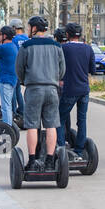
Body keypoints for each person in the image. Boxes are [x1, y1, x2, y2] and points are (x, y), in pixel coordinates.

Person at [14, 15, 66, 173]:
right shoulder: (56, 46)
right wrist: (54, 79)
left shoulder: (27, 46)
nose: (28, 30)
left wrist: (24, 81)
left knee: (32, 126)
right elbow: (62, 70)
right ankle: (50, 160)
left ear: (34, 28)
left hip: (34, 89)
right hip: (51, 89)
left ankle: (32, 161)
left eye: (29, 27)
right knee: (51, 126)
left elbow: (19, 69)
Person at [59, 23, 96, 158]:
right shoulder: (88, 49)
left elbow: (59, 68)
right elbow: (93, 70)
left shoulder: (63, 48)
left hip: (69, 89)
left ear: (67, 35)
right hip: (84, 89)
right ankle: (79, 151)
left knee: (60, 118)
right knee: (82, 120)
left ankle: (61, 147)